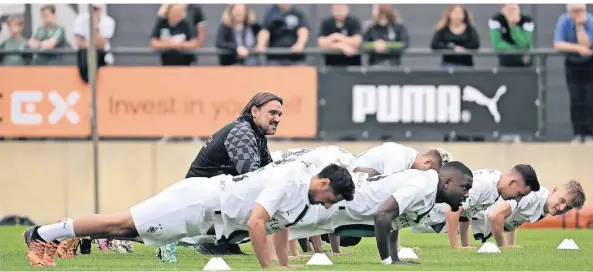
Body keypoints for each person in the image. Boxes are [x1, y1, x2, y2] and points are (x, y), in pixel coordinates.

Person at [23, 161, 355, 268]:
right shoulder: (291, 179)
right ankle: (41, 234)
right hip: (196, 202)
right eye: (332, 197)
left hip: (203, 218)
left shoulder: (301, 196)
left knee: (127, 233)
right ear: (324, 182)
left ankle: (63, 232)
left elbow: (276, 228)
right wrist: (268, 269)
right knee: (117, 223)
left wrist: (283, 265)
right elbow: (256, 223)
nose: (327, 205)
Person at [288, 161, 473, 265]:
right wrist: (387, 261)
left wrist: (395, 257)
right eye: (465, 187)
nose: (467, 194)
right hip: (333, 204)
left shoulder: (428, 186)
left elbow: (394, 219)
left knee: (276, 229)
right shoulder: (424, 184)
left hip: (339, 211)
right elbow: (382, 215)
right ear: (447, 182)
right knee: (270, 224)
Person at [170, 92, 282, 259]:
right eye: (272, 113)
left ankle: (224, 243)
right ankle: (210, 242)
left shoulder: (257, 135)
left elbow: (269, 173)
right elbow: (254, 180)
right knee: (261, 198)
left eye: (280, 114)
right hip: (196, 202)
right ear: (254, 111)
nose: (278, 119)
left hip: (207, 199)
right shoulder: (242, 132)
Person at [325, 142, 452, 253]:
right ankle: (314, 240)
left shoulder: (406, 156)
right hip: (347, 188)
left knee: (352, 238)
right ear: (428, 162)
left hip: (355, 190)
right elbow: (389, 203)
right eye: (432, 173)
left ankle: (327, 245)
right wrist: (393, 251)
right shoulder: (398, 158)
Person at [410, 165, 541, 250]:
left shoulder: (495, 187)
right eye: (519, 194)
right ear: (512, 182)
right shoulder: (484, 185)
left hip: (432, 213)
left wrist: (465, 245)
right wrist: (456, 248)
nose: (518, 199)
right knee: (393, 221)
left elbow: (465, 214)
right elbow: (452, 211)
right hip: (425, 206)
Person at [472, 180, 585, 247]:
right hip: (471, 211)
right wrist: (503, 246)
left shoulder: (546, 206)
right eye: (562, 200)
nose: (561, 208)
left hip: (475, 217)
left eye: (567, 208)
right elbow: (495, 215)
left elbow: (515, 216)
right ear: (554, 190)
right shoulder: (532, 196)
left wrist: (511, 244)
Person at [553, 4, 593, 144]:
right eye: (574, 11)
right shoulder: (563, 20)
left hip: (590, 64)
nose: (578, 14)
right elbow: (558, 44)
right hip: (573, 64)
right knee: (575, 98)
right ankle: (578, 132)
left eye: (581, 10)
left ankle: (589, 134)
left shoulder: (590, 20)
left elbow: (587, 44)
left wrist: (580, 26)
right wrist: (577, 48)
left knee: (589, 97)